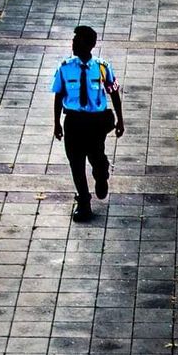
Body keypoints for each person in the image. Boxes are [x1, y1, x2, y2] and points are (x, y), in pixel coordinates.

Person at [51, 25, 124, 221]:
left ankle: (101, 175)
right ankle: (84, 202)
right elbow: (59, 95)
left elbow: (114, 92)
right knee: (76, 163)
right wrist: (57, 123)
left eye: (78, 41)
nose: (73, 44)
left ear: (89, 44)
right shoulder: (65, 68)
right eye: (73, 40)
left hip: (95, 123)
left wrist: (120, 120)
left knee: (96, 157)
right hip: (74, 122)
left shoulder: (102, 67)